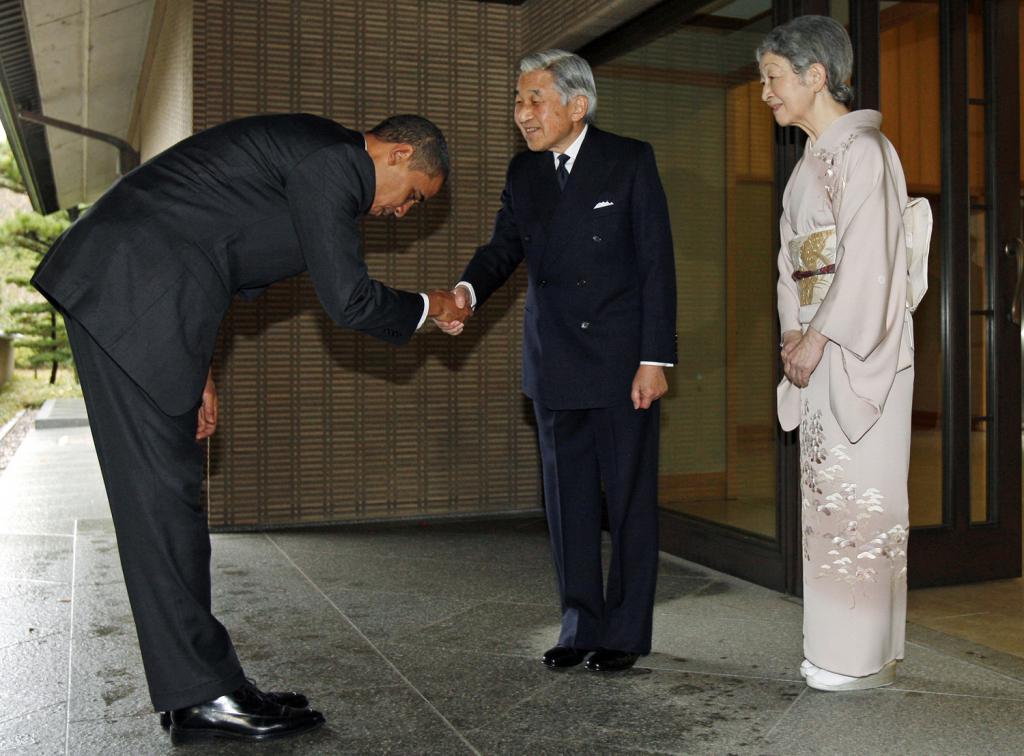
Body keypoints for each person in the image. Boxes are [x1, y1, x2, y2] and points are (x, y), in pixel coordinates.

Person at [31, 113, 470, 743]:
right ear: (399, 154)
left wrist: (200, 368)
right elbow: (346, 300)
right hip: (130, 291)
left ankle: (207, 686)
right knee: (160, 502)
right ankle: (200, 697)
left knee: (171, 497)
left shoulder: (318, 164)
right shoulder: (334, 165)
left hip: (151, 297)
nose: (404, 214)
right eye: (414, 198)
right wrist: (434, 306)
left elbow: (216, 251)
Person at [436, 50, 677, 673]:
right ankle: (579, 625)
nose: (521, 114)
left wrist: (655, 357)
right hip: (554, 362)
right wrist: (464, 292)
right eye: (517, 102)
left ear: (577, 104)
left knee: (625, 499)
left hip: (623, 363)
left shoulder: (628, 159)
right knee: (566, 501)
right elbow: (500, 249)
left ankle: (623, 632)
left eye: (533, 99)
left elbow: (656, 264)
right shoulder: (525, 175)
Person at [759, 16, 915, 691]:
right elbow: (793, 265)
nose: (765, 93)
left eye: (773, 78)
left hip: (855, 348)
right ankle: (834, 646)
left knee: (863, 497)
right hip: (820, 348)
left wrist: (818, 334)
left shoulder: (863, 151)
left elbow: (873, 261)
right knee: (827, 500)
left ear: (815, 76)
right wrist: (794, 332)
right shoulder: (808, 166)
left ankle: (860, 657)